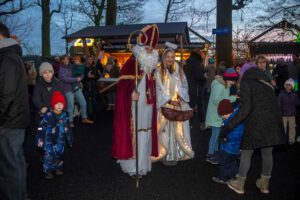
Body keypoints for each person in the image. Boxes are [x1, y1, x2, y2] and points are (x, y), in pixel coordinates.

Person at [224, 67, 285, 194]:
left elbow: (245, 110)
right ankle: (264, 183)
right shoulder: (268, 85)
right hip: (272, 124)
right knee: (267, 154)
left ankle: (240, 183)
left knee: (247, 152)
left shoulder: (247, 82)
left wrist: (229, 126)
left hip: (256, 124)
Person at [112, 24, 159, 176]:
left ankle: (143, 164)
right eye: (147, 48)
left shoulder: (151, 68)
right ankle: (133, 166)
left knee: (145, 131)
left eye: (152, 49)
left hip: (147, 107)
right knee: (136, 132)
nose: (150, 51)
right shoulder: (130, 65)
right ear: (141, 47)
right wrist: (130, 95)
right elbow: (121, 90)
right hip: (133, 107)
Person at [0, 23, 30, 200]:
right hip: (15, 119)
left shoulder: (7, 58)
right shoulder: (13, 56)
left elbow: (6, 93)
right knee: (16, 164)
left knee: (7, 168)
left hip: (8, 121)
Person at [153, 48, 194, 165]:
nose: (170, 59)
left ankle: (177, 153)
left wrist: (181, 97)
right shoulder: (158, 71)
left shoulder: (179, 70)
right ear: (164, 57)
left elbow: (184, 85)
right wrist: (169, 101)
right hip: (165, 105)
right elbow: (157, 89)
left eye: (172, 57)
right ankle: (165, 154)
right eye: (168, 57)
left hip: (177, 105)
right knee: (165, 131)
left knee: (178, 130)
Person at [205, 68, 238, 164]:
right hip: (215, 115)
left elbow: (223, 99)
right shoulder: (219, 86)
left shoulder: (224, 86)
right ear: (227, 78)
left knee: (217, 135)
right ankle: (210, 154)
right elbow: (216, 100)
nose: (233, 83)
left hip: (218, 115)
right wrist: (231, 99)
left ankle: (215, 153)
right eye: (232, 80)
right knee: (215, 135)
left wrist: (232, 98)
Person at [36, 91, 73, 179]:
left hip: (60, 140)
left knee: (59, 154)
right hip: (48, 140)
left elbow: (68, 129)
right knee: (49, 154)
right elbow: (40, 129)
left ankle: (57, 167)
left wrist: (70, 139)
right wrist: (39, 140)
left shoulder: (65, 116)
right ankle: (47, 170)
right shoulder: (47, 116)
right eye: (57, 103)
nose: (60, 105)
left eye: (62, 104)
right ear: (53, 105)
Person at [212, 99, 244, 184]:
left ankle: (223, 178)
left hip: (230, 147)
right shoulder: (235, 117)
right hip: (233, 148)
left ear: (228, 112)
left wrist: (226, 138)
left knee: (224, 163)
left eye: (223, 115)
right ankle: (233, 176)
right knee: (232, 162)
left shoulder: (232, 122)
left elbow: (236, 134)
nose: (222, 117)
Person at [59, 55, 94, 128]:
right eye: (64, 59)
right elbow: (65, 79)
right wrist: (76, 79)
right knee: (70, 106)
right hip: (67, 89)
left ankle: (84, 118)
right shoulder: (61, 69)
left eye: (67, 59)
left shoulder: (72, 66)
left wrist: (81, 77)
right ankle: (70, 121)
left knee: (83, 103)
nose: (66, 61)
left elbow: (80, 74)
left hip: (76, 87)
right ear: (62, 60)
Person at [183, 48, 207, 130]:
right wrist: (204, 79)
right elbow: (198, 75)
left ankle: (188, 124)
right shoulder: (196, 62)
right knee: (199, 105)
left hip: (188, 86)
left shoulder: (187, 61)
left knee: (190, 105)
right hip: (196, 87)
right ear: (199, 54)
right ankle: (202, 123)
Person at [278, 78, 299, 144]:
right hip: (283, 114)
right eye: (286, 85)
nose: (287, 86)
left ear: (292, 86)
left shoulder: (294, 94)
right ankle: (282, 140)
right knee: (283, 128)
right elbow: (279, 104)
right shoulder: (281, 94)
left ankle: (291, 140)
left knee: (292, 128)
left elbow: (297, 103)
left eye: (289, 85)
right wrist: (279, 112)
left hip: (292, 114)